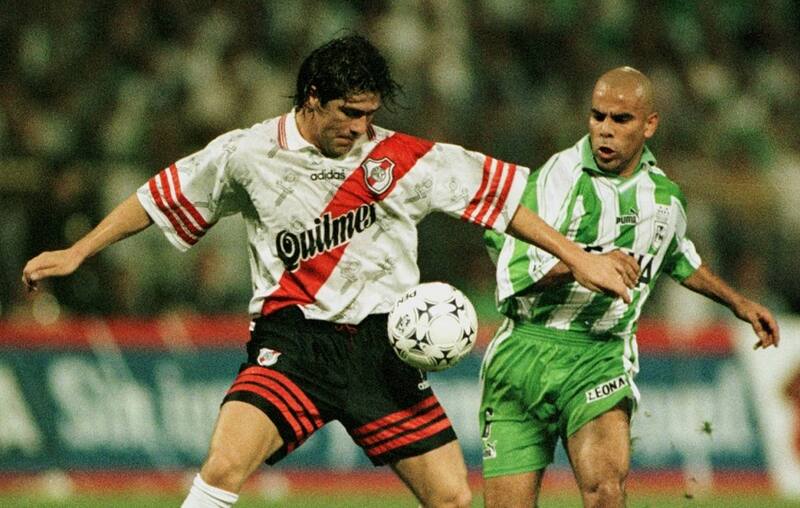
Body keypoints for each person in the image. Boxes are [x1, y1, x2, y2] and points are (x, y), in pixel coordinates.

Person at [21, 36, 638, 507]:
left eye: (369, 114)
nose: (360, 128)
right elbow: (162, 194)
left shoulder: (404, 157)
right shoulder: (248, 153)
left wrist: (578, 258)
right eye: (349, 113)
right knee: (223, 466)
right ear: (312, 98)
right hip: (294, 342)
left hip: (384, 350)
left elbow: (505, 203)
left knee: (453, 497)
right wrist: (80, 252)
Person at [479, 66, 781, 508]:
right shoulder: (555, 178)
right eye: (597, 116)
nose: (604, 130)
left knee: (606, 488)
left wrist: (737, 302)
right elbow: (512, 268)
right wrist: (581, 265)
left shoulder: (664, 197)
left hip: (600, 357)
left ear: (649, 124)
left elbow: (679, 257)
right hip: (525, 352)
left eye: (620, 120)